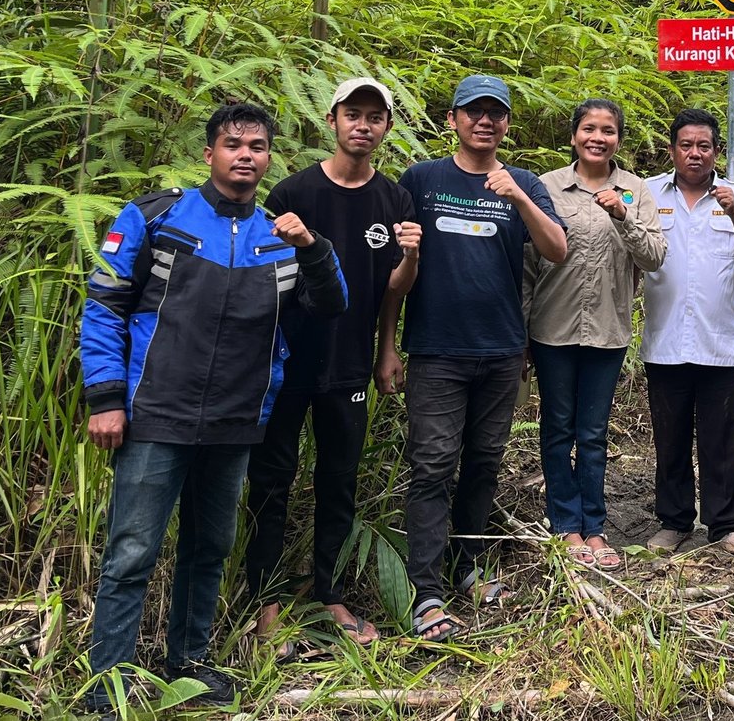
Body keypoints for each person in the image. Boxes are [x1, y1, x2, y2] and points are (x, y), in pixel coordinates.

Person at [79, 102, 347, 721]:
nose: (245, 155)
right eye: (233, 144)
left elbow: (332, 304)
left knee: (210, 549)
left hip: (235, 419)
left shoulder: (279, 237)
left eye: (257, 146)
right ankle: (107, 687)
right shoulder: (156, 216)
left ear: (269, 158)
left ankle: (189, 663)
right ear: (209, 154)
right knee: (131, 553)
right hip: (156, 414)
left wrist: (312, 246)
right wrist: (106, 398)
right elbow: (105, 305)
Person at [375, 75, 568, 643]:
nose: (485, 121)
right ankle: (426, 591)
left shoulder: (524, 183)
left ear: (506, 123)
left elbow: (557, 249)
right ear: (453, 119)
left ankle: (469, 567)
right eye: (473, 111)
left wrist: (519, 199)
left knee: (483, 462)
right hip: (436, 351)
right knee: (432, 466)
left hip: (502, 350)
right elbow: (395, 272)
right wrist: (387, 346)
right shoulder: (422, 180)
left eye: (495, 113)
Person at [244, 77, 421, 651]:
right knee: (271, 479)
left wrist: (387, 346)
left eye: (374, 117)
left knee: (338, 480)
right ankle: (265, 599)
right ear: (332, 119)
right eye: (353, 114)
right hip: (286, 361)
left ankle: (330, 593)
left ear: (386, 127)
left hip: (349, 362)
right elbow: (260, 278)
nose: (362, 125)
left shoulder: (392, 199)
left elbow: (393, 288)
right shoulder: (293, 192)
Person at [529, 99, 667, 570]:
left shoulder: (635, 190)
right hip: (551, 328)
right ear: (573, 136)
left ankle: (595, 527)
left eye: (608, 130)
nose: (598, 138)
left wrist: (623, 217)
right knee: (557, 429)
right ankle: (565, 525)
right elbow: (528, 263)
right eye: (589, 128)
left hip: (608, 330)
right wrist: (521, 332)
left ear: (618, 140)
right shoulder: (546, 186)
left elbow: (654, 257)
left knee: (592, 434)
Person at [641, 108, 734, 555]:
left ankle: (726, 525)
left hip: (719, 343)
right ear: (672, 150)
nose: (694, 153)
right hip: (665, 340)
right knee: (670, 437)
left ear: (716, 150)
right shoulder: (647, 193)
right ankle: (674, 522)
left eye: (703, 146)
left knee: (723, 439)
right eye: (686, 145)